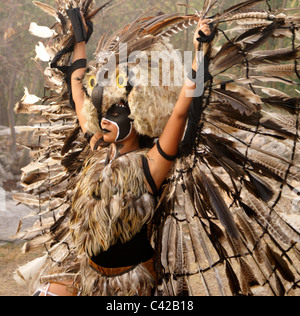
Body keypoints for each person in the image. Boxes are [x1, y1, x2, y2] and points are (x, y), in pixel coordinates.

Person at [34, 16, 212, 296]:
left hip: (131, 284)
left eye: (115, 112)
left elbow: (180, 111)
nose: (104, 119)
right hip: (88, 274)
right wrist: (80, 40)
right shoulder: (96, 151)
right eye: (103, 111)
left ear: (138, 115)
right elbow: (78, 90)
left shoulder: (151, 163)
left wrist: (199, 53)